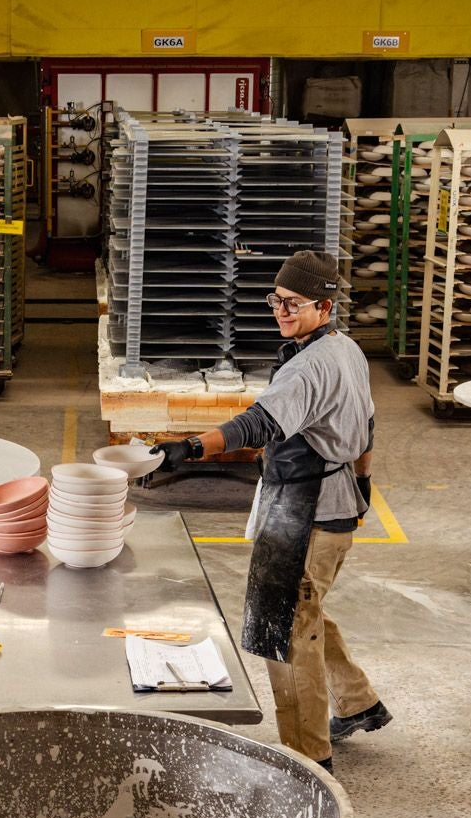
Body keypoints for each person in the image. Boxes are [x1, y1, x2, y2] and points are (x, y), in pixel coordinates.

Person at [152, 250, 390, 772]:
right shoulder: (346, 348)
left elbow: (256, 426)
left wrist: (187, 448)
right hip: (336, 499)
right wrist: (365, 483)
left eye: (293, 303)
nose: (280, 310)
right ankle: (357, 703)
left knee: (286, 629)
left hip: (306, 513)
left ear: (325, 305)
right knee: (306, 612)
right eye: (275, 299)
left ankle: (308, 760)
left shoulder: (307, 368)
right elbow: (368, 426)